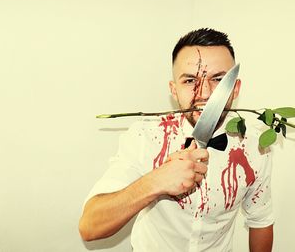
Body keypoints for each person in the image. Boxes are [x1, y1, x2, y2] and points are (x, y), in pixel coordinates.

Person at [79, 28, 274, 252]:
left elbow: (260, 220)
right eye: (190, 80)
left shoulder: (255, 145)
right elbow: (89, 226)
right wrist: (156, 181)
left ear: (235, 88)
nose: (204, 93)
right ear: (174, 89)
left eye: (218, 79)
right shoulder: (146, 136)